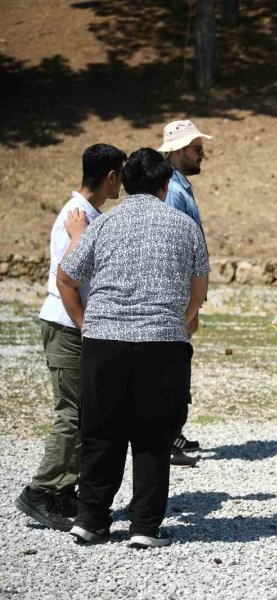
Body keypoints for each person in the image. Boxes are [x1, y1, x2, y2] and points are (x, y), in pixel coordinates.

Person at [57, 148, 209, 548]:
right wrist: (186, 318)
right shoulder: (184, 226)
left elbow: (67, 276)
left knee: (100, 433)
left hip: (104, 341)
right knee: (153, 438)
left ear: (123, 183)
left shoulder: (103, 224)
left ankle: (90, 519)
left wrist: (85, 323)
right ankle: (144, 526)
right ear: (165, 185)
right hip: (162, 342)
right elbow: (199, 289)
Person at [15, 144, 126, 532]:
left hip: (76, 324)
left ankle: (63, 489)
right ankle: (41, 491)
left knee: (84, 413)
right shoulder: (76, 216)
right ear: (110, 176)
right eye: (121, 173)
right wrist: (85, 327)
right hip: (67, 325)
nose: (123, 181)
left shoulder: (90, 214)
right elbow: (68, 279)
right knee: (71, 413)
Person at [158, 119, 213, 467]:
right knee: (171, 368)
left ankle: (170, 432)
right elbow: (175, 249)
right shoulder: (174, 192)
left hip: (183, 294)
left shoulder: (180, 186)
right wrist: (188, 304)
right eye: (196, 149)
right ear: (177, 151)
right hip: (177, 295)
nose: (202, 155)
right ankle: (164, 437)